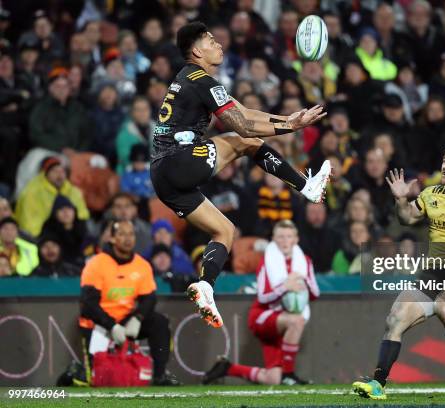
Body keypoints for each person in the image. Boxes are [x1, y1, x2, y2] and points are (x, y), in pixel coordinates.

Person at [149, 22, 330, 329]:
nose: (218, 43)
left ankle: (205, 285)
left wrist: (288, 119)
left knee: (225, 232)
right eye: (210, 40)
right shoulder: (200, 79)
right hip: (180, 160)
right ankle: (307, 187)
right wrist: (292, 127)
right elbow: (243, 126)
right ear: (196, 51)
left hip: (162, 175)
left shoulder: (190, 79)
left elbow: (244, 112)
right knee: (247, 141)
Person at [353, 145, 445, 400]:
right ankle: (378, 384)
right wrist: (401, 199)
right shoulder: (431, 193)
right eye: (444, 159)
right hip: (434, 272)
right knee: (396, 318)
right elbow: (407, 218)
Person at [201, 220, 319, 385]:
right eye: (281, 237)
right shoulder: (267, 261)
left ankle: (227, 368)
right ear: (274, 239)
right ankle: (289, 374)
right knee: (297, 321)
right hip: (263, 316)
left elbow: (315, 294)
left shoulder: (304, 261)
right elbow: (263, 297)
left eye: (289, 237)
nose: (285, 241)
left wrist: (303, 281)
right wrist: (284, 287)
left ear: (296, 239)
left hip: (284, 323)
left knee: (273, 379)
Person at [79, 219, 179, 386]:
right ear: (111, 238)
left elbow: (149, 298)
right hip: (98, 324)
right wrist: (111, 325)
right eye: (122, 234)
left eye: (131, 234)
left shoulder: (142, 265)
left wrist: (138, 318)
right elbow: (88, 304)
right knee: (95, 381)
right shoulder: (96, 264)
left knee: (159, 322)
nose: (127, 238)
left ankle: (160, 375)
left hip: (126, 321)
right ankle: (71, 376)